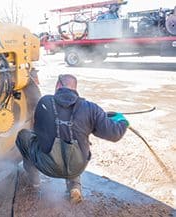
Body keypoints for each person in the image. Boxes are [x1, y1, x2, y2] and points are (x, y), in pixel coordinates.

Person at [16, 74, 128, 203]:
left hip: (46, 165)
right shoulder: (91, 108)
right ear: (75, 88)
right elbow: (115, 134)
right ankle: (74, 186)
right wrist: (122, 121)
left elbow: (36, 130)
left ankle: (34, 181)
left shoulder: (44, 102)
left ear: (58, 85)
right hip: (77, 167)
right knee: (77, 144)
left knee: (23, 136)